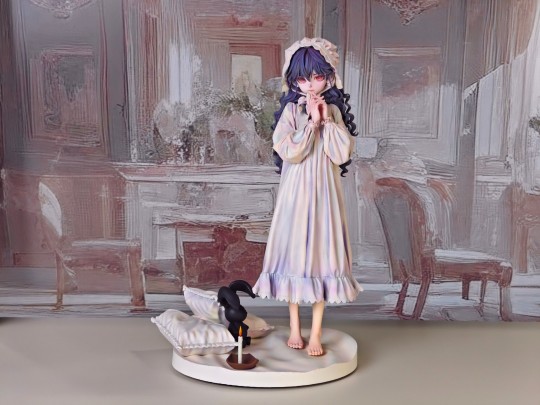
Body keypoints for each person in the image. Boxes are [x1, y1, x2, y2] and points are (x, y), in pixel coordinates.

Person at [252, 38, 363, 356]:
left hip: (324, 196)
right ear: (293, 81)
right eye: (302, 78)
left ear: (329, 76)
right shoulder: (291, 111)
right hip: (295, 197)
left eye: (316, 76)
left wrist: (324, 119)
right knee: (294, 256)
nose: (310, 84)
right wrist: (311, 125)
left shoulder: (333, 112)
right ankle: (294, 328)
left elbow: (341, 153)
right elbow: (288, 149)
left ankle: (315, 333)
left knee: (321, 256)